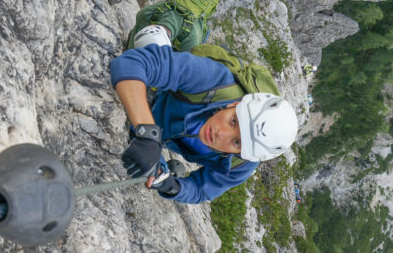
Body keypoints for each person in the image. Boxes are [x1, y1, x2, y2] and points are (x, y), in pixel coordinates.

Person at [110, 26, 299, 204]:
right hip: (160, 93)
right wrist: (147, 135)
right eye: (233, 121)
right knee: (150, 37)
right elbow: (131, 63)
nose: (221, 134)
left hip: (162, 131)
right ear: (235, 104)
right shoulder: (213, 80)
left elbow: (201, 190)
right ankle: (179, 32)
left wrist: (171, 185)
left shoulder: (240, 163)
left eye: (236, 142)